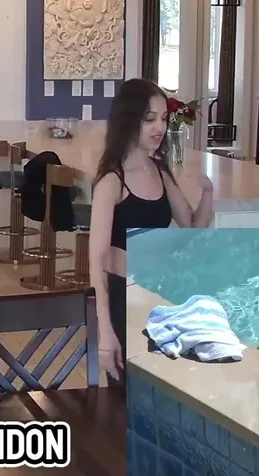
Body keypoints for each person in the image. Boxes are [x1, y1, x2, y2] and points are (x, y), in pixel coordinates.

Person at [88, 78, 215, 386]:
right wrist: (104, 330)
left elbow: (192, 229)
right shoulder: (112, 182)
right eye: (150, 119)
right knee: (126, 392)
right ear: (129, 121)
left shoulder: (160, 171)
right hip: (124, 299)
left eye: (163, 118)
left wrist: (208, 192)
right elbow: (96, 261)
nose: (159, 128)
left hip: (158, 297)